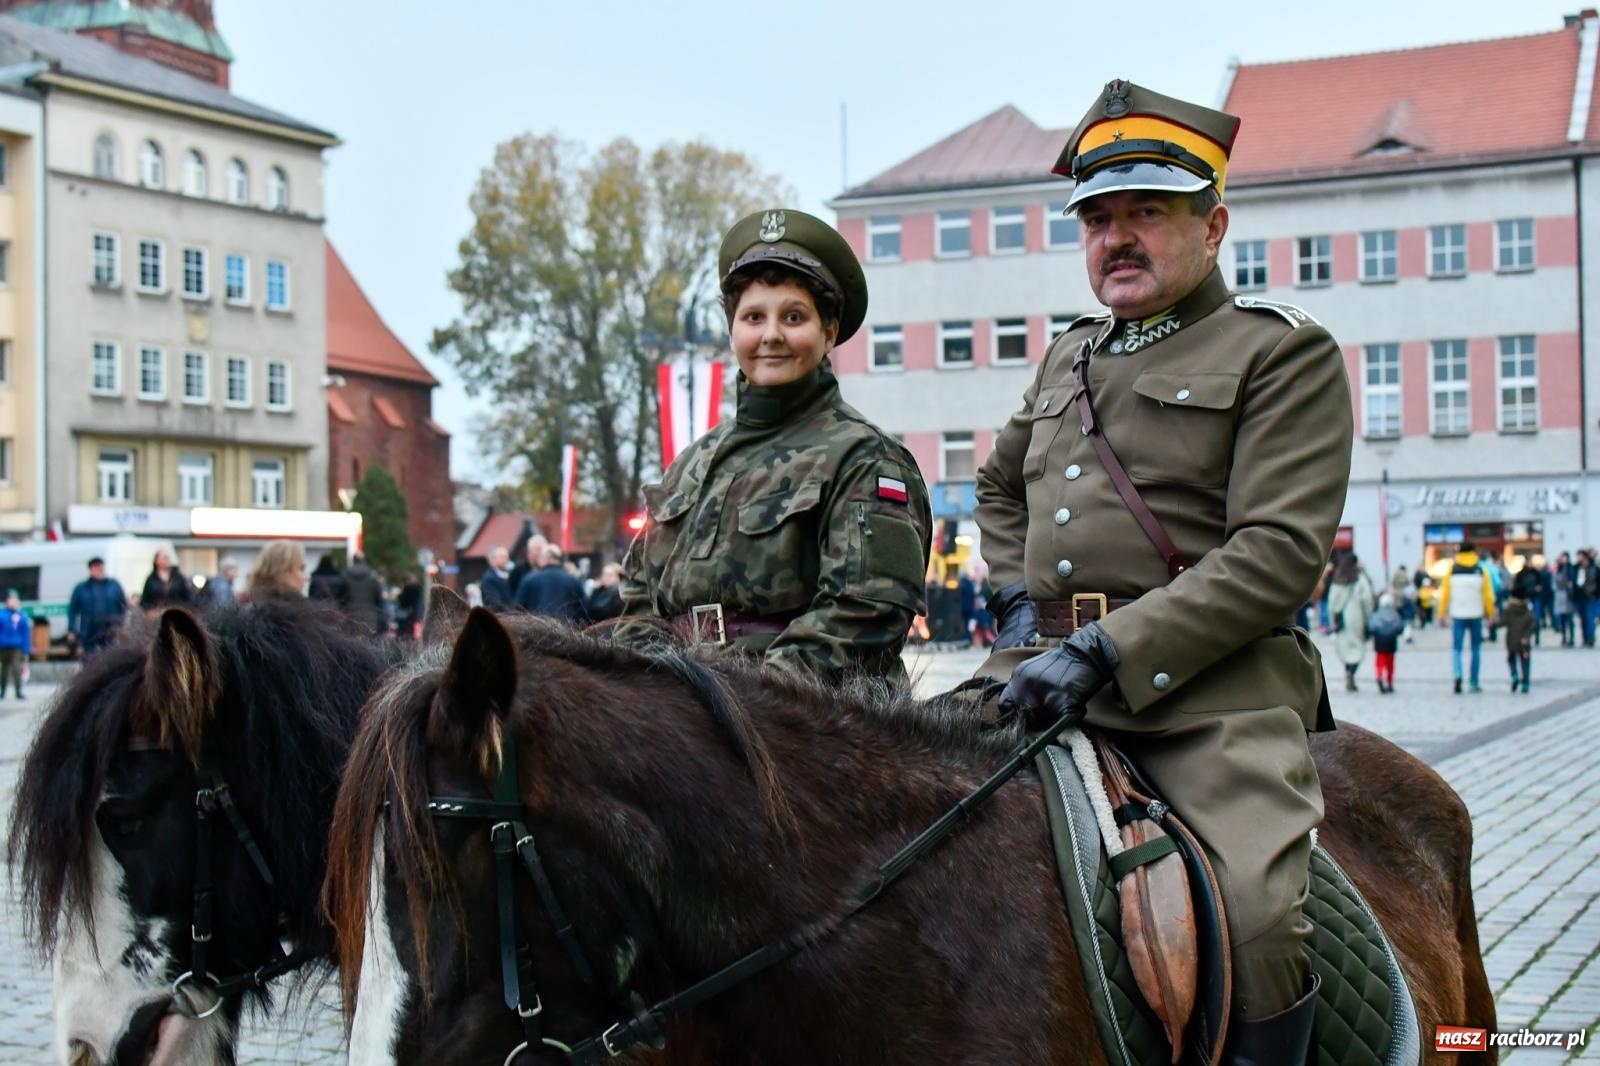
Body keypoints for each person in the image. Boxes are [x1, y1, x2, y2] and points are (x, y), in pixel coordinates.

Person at [977, 80, 1352, 1062]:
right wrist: (1017, 600)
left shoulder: (1279, 351)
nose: (1118, 239)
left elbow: (1278, 552)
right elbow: (998, 486)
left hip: (1207, 698)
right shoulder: (1067, 356)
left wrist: (1107, 647)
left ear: (1212, 225)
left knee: (1256, 922)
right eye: (1098, 219)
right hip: (1036, 673)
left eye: (1147, 212)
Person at [617, 208, 932, 683]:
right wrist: (654, 692)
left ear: (829, 332)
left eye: (793, 317)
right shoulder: (691, 465)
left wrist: (746, 698)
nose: (771, 335)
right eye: (753, 317)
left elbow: (864, 614)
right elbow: (638, 598)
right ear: (733, 331)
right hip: (684, 710)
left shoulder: (865, 459)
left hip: (811, 717)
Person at [1438, 540, 1496, 694]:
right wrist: (1491, 614)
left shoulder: (1452, 570)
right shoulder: (1480, 570)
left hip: (1458, 614)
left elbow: (1445, 594)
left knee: (1457, 648)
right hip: (1476, 614)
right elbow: (1488, 595)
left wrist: (1441, 613)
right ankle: (1474, 681)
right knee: (1476, 648)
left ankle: (1457, 674)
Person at [1325, 553, 1374, 692]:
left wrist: (1332, 621)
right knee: (1357, 649)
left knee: (1345, 649)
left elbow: (1331, 602)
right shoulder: (1360, 579)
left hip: (1341, 620)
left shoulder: (1337, 579)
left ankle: (1347, 671)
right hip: (1356, 617)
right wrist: (1368, 619)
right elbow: (1367, 601)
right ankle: (1351, 673)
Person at [68, 556, 129, 658]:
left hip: (111, 631)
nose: (98, 569)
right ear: (90, 569)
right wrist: (71, 630)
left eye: (100, 566)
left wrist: (123, 625)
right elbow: (73, 610)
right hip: (90, 632)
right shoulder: (82, 588)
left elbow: (123, 606)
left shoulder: (114, 585)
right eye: (95, 567)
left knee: (111, 658)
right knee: (90, 659)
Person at [515, 545, 589, 624]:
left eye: (541, 557)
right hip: (566, 627)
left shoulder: (530, 579)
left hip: (536, 627)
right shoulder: (573, 580)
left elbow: (518, 608)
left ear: (547, 558)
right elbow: (584, 610)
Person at [340, 552, 386, 634]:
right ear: (364, 561)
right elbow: (378, 597)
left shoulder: (345, 575)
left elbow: (340, 596)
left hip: (350, 613)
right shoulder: (372, 576)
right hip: (368, 614)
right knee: (367, 639)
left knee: (350, 639)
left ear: (353, 561)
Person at [1368, 592, 1405, 695]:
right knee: (1390, 664)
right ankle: (1389, 683)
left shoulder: (1377, 614)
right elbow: (1400, 627)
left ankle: (1379, 676)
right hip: (1391, 641)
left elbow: (1372, 626)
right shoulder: (1395, 614)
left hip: (1380, 641)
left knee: (1380, 662)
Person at [139, 549, 194, 615]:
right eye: (164, 558)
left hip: (176, 613)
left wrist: (184, 609)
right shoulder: (151, 579)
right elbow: (144, 600)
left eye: (167, 558)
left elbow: (187, 597)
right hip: (157, 614)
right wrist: (149, 610)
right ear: (157, 561)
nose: (167, 560)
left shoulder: (178, 577)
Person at [0, 589, 31, 698]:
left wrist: (26, 650)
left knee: (16, 668)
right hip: (3, 646)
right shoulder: (2, 615)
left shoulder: (22, 616)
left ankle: (18, 691)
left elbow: (25, 634)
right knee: (3, 670)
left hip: (16, 647)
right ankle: (2, 690)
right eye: (11, 599)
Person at [1503, 594, 1534, 694]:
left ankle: (1514, 675)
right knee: (1525, 660)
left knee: (1511, 659)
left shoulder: (1509, 610)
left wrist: (1492, 624)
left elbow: (1502, 621)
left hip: (1512, 642)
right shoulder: (1527, 610)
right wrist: (1527, 636)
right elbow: (1532, 625)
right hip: (1524, 644)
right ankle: (1525, 683)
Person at [507, 533, 549, 604]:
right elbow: (511, 592)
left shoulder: (548, 570)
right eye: (538, 549)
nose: (542, 553)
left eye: (544, 550)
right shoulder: (518, 570)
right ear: (529, 551)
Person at [480, 545, 515, 612]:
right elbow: (496, 604)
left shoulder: (507, 575)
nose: (507, 559)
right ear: (492, 560)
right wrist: (515, 613)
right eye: (503, 557)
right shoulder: (489, 579)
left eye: (507, 556)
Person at [1553, 552, 1576, 647]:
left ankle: (1571, 638)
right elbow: (1554, 582)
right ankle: (1564, 637)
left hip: (1568, 596)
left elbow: (1572, 581)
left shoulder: (1570, 569)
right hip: (1560, 595)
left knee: (1570, 619)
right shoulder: (1558, 569)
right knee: (1562, 619)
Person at [395, 572, 424, 639]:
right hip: (416, 615)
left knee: (404, 635)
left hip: (407, 616)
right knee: (414, 635)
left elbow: (404, 603)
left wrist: (399, 596)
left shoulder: (408, 589)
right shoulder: (418, 589)